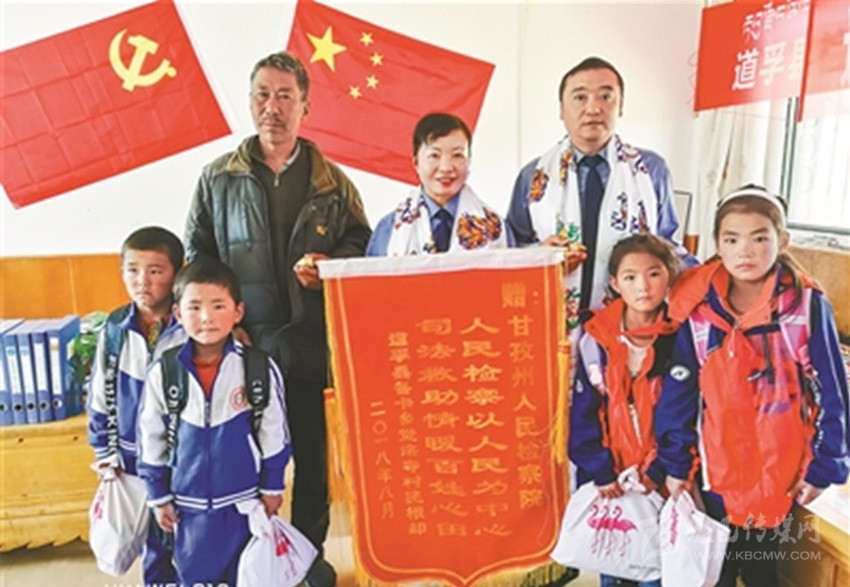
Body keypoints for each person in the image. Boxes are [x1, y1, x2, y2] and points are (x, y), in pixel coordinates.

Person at [184, 51, 371, 586]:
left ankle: (306, 558)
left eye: (285, 96)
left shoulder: (333, 183)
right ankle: (246, 559)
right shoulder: (217, 179)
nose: (273, 107)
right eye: (263, 95)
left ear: (305, 107)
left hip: (309, 344)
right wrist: (223, 324)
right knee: (240, 459)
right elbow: (198, 256)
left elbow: (361, 244)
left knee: (311, 458)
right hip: (241, 348)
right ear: (250, 103)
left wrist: (328, 267)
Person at [656, 185, 849, 587]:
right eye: (732, 239)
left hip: (781, 474)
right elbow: (679, 396)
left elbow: (833, 394)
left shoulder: (805, 307)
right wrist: (676, 465)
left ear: (783, 240)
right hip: (714, 476)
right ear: (717, 245)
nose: (745, 251)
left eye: (759, 238)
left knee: (762, 569)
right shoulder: (698, 312)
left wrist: (824, 468)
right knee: (714, 572)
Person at [506, 56, 696, 334]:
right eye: (580, 97)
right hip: (550, 322)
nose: (593, 108)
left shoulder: (650, 170)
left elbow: (667, 246)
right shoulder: (534, 177)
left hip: (629, 325)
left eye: (606, 97)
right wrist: (541, 256)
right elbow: (511, 250)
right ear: (561, 109)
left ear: (621, 106)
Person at [137, 257, 291, 586]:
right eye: (194, 307)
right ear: (178, 314)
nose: (206, 317)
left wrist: (272, 486)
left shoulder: (258, 369)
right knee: (193, 577)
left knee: (247, 576)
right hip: (187, 509)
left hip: (244, 505)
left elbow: (274, 432)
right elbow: (151, 437)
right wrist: (158, 494)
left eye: (218, 306)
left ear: (238, 312)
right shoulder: (164, 372)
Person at [568, 234, 681, 587]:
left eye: (654, 274)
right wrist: (601, 471)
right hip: (611, 479)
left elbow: (686, 415)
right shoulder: (595, 340)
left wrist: (659, 471)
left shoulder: (681, 339)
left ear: (670, 276)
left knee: (656, 568)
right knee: (614, 561)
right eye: (630, 277)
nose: (643, 287)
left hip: (660, 479)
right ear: (615, 284)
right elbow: (582, 415)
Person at [86, 226, 186, 584]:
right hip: (131, 460)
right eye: (132, 270)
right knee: (152, 547)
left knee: (186, 541)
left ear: (177, 273)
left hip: (182, 457)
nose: (142, 281)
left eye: (155, 271)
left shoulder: (190, 325)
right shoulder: (115, 328)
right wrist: (103, 451)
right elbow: (100, 395)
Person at [366, 112, 511, 256]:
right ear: (416, 163)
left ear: (469, 161)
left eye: (457, 155)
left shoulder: (496, 228)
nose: (446, 168)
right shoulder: (389, 230)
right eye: (434, 155)